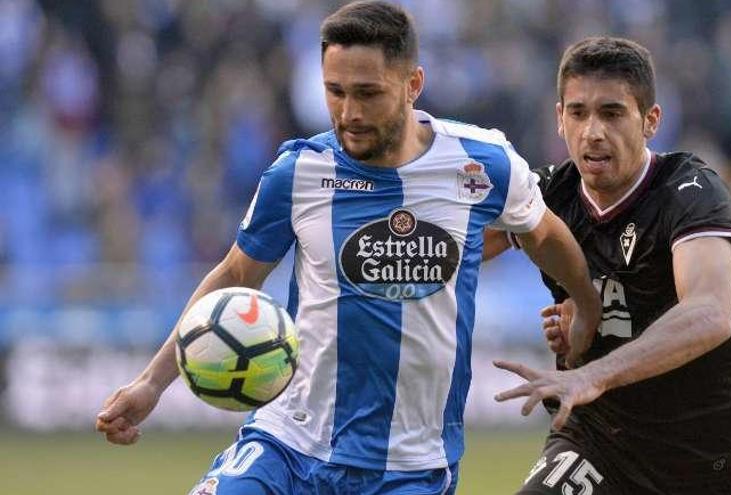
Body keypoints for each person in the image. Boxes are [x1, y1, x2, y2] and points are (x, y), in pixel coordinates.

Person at [95, 2, 601, 494]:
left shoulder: (482, 164)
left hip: (412, 464)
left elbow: (544, 234)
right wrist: (152, 383)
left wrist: (584, 301)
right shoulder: (298, 172)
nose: (348, 113)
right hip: (289, 441)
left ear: (413, 85)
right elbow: (233, 276)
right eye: (334, 92)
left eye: (368, 93)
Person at [485, 37, 731, 494]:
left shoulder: (689, 191)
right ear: (559, 119)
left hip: (713, 453)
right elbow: (446, 253)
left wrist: (591, 371)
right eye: (578, 113)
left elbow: (710, 314)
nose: (593, 131)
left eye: (612, 112)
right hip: (600, 439)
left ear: (650, 121)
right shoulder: (544, 196)